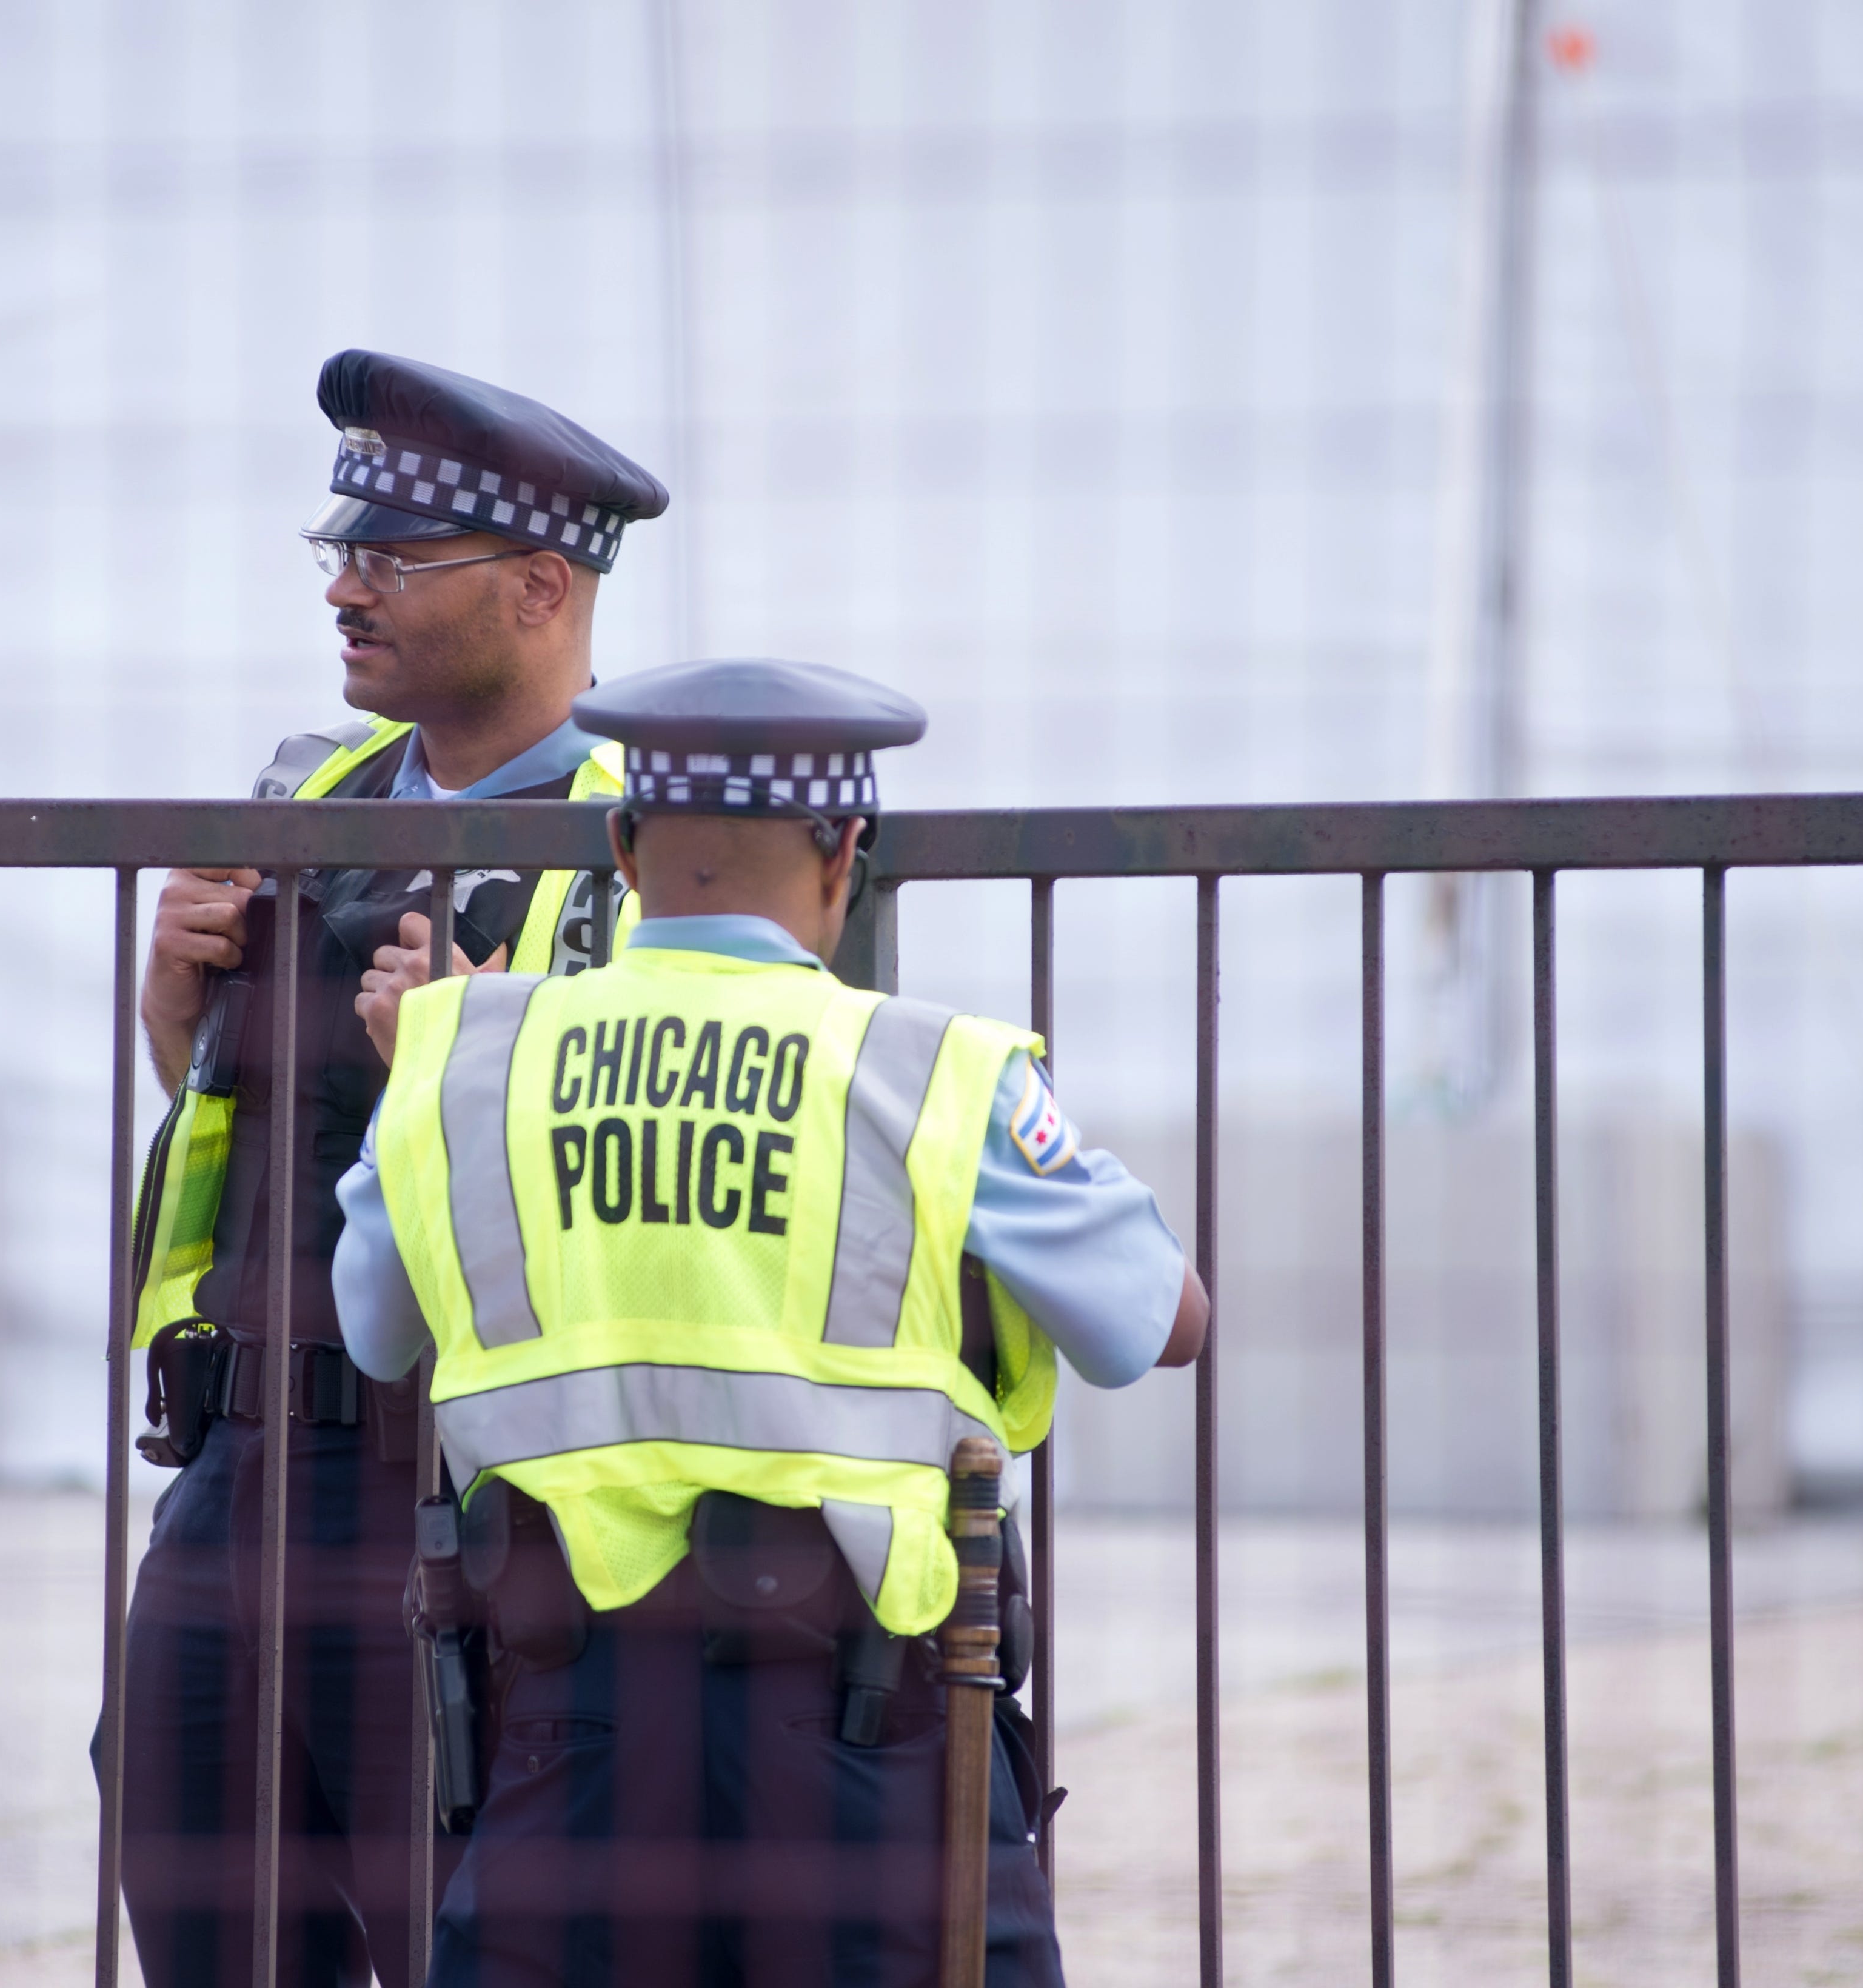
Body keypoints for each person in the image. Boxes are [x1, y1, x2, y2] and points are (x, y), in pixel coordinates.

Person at [332, 658, 1210, 1986]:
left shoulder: (470, 1057)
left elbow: (372, 1326)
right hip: (858, 1737)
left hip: (566, 1720)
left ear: (622, 843)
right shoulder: (929, 1072)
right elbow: (1158, 1321)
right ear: (844, 851)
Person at [118, 349, 667, 1987]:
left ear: (540, 588)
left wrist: (476, 1065)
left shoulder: (632, 845)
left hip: (454, 1482)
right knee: (197, 1888)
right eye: (336, 554)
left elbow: (645, 1176)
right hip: (232, 1460)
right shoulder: (313, 799)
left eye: (391, 560)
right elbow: (235, 1117)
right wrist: (171, 1001)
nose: (344, 592)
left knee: (448, 1913)